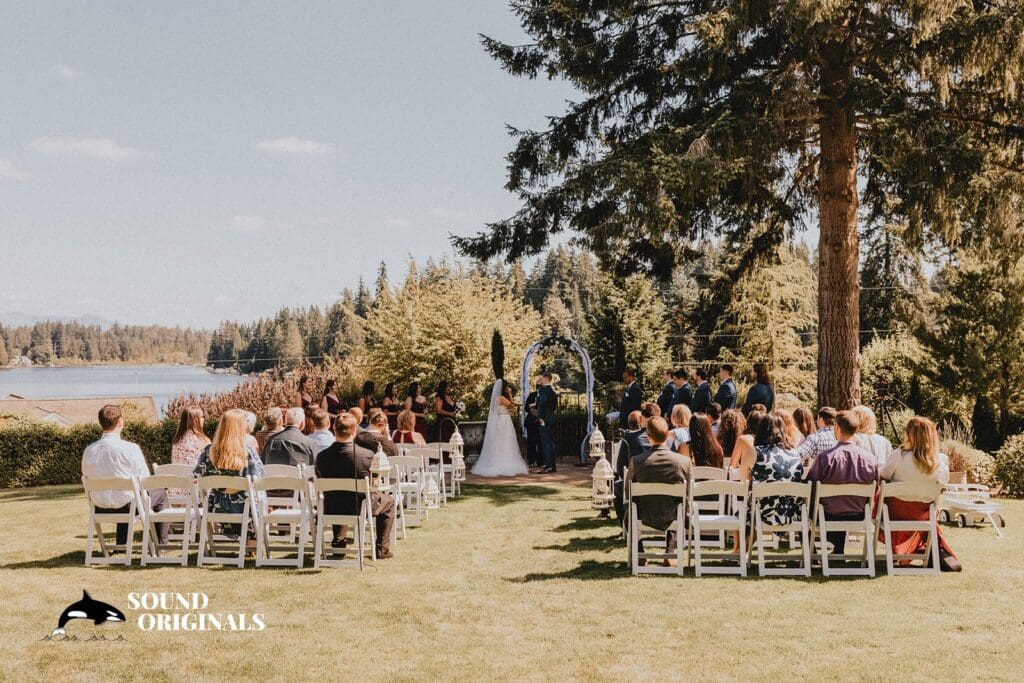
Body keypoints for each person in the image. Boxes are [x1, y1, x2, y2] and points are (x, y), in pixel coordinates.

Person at [879, 416, 960, 571]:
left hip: (894, 513)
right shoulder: (941, 460)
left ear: (910, 435)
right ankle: (928, 550)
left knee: (880, 495)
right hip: (923, 514)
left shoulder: (899, 455)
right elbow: (942, 483)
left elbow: (883, 475)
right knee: (930, 507)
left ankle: (907, 552)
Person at [82, 404, 169, 548]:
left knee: (126, 496)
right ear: (120, 422)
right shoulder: (130, 449)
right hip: (127, 506)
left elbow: (85, 475)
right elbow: (145, 479)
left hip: (99, 506)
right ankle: (161, 543)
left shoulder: (89, 451)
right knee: (159, 493)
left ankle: (122, 545)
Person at [315, 412, 396, 558]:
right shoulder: (366, 455)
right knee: (389, 501)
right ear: (354, 431)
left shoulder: (322, 457)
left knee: (338, 496)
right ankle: (381, 549)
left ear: (334, 429)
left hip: (330, 507)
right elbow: (374, 483)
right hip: (360, 506)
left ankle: (339, 543)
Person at [804, 410, 879, 553]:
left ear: (837, 427)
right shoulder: (870, 459)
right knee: (842, 503)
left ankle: (814, 551)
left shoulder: (825, 458)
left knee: (813, 506)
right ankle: (837, 551)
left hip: (827, 515)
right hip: (859, 515)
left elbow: (811, 487)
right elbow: (875, 488)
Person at [628, 417, 692, 566]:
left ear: (648, 437)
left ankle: (640, 553)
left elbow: (628, 492)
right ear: (667, 435)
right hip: (673, 515)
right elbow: (689, 494)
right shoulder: (683, 462)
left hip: (644, 514)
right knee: (679, 506)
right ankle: (670, 553)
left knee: (630, 509)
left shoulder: (637, 461)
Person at [193, 409, 264, 540]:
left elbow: (197, 475)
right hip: (245, 507)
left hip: (217, 507)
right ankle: (252, 541)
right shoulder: (247, 452)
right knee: (257, 493)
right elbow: (259, 477)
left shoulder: (208, 452)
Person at [744, 413, 804, 526]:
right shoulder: (795, 453)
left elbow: (744, 483)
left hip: (762, 513)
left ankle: (740, 544)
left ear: (760, 431)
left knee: (744, 511)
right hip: (791, 513)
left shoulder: (754, 452)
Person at [473, 379, 528, 477]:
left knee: (500, 441)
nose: (508, 388)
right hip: (504, 420)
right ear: (504, 388)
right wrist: (510, 393)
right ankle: (505, 462)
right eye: (507, 387)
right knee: (506, 440)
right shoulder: (501, 398)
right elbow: (512, 405)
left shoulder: (495, 398)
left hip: (500, 419)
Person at [613, 410, 649, 521]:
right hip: (663, 493)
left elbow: (620, 468)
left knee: (617, 486)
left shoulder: (628, 439)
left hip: (636, 487)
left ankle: (625, 525)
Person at [171, 406, 209, 473]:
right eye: (202, 416)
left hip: (178, 480)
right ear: (196, 420)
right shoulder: (203, 440)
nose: (204, 419)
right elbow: (210, 464)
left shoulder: (176, 441)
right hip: (197, 481)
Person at [536, 372, 559, 473]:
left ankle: (548, 466)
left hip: (544, 420)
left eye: (540, 378)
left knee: (546, 443)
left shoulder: (543, 390)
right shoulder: (552, 391)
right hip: (551, 418)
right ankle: (552, 465)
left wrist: (540, 417)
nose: (539, 380)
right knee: (551, 442)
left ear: (546, 379)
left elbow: (542, 403)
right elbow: (553, 406)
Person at [524, 380, 541, 468]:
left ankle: (540, 461)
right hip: (531, 421)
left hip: (541, 421)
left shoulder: (545, 395)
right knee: (531, 442)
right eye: (538, 386)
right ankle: (531, 460)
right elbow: (526, 408)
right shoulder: (532, 395)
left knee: (541, 442)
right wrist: (532, 408)